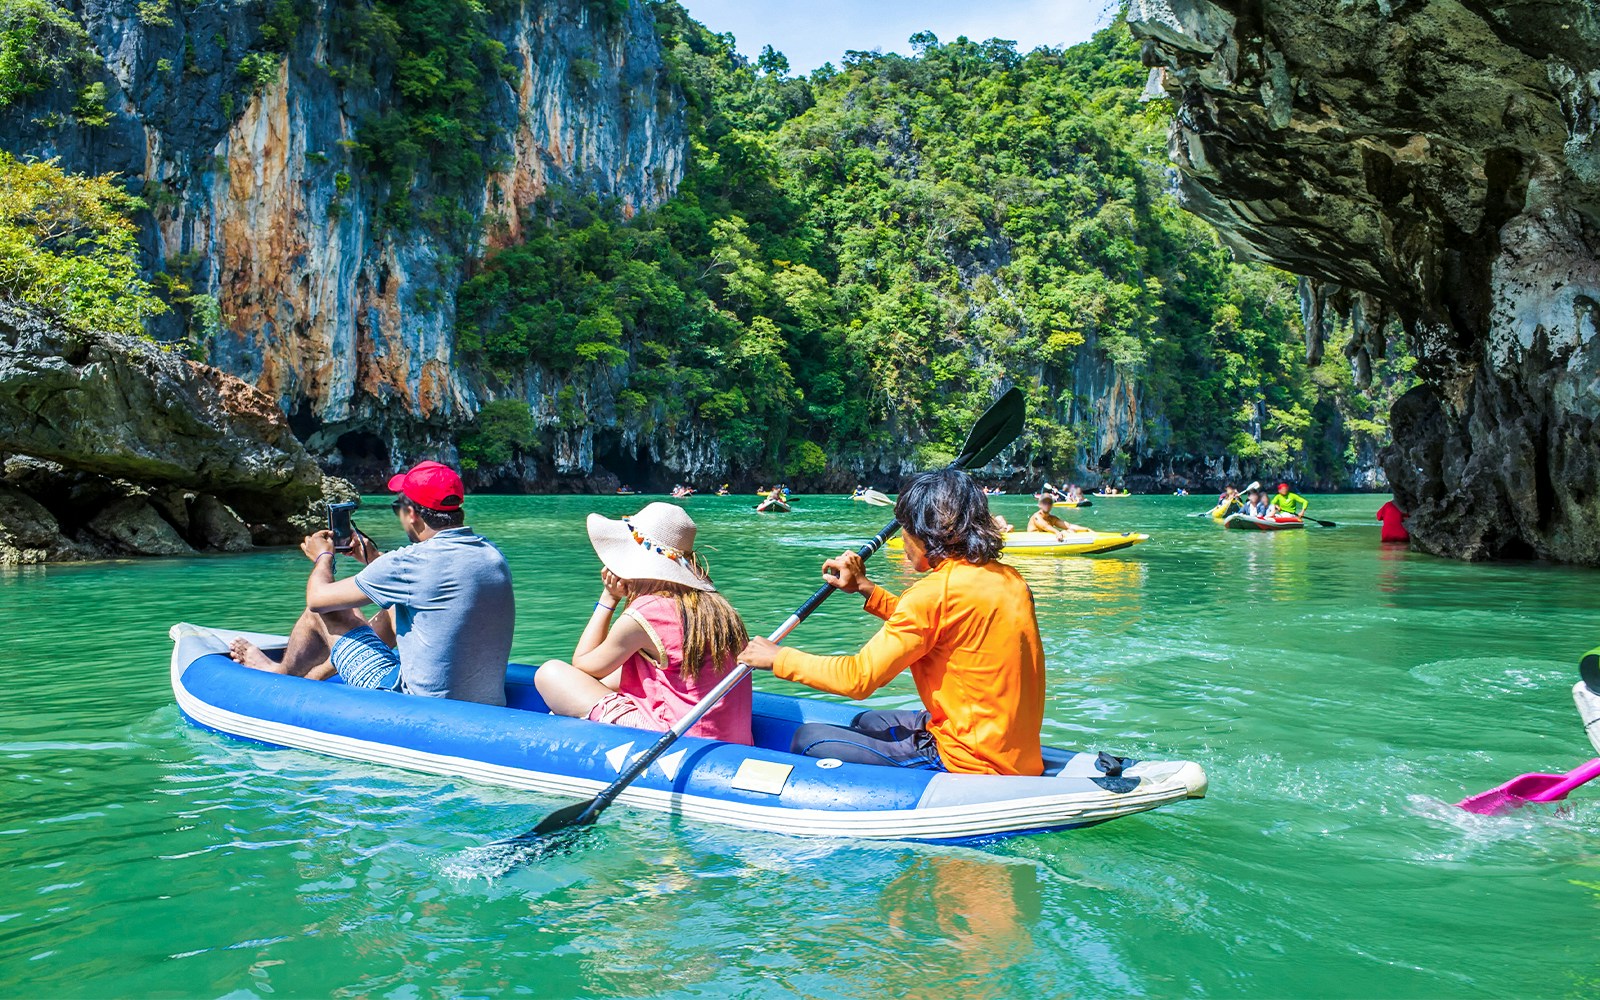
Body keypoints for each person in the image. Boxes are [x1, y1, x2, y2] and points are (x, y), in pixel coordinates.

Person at [739, 470, 1044, 774]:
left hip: (974, 760)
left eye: (904, 531)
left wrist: (778, 657)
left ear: (924, 535)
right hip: (1009, 744)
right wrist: (865, 587)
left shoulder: (933, 592)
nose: (902, 541)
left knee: (808, 740)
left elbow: (858, 679)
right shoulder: (1009, 578)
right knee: (867, 721)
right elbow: (937, 625)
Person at [228, 461, 515, 706]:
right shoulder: (492, 555)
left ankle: (279, 677)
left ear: (412, 513)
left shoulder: (408, 563)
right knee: (394, 611)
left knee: (330, 613)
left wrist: (323, 557)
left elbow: (318, 598)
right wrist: (374, 558)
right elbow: (431, 583)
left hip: (413, 702)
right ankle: (312, 679)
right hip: (483, 703)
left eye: (398, 508)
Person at [535, 502, 753, 744]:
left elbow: (584, 664)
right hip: (731, 739)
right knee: (621, 671)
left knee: (550, 673)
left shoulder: (647, 611)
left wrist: (609, 598)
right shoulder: (718, 607)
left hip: (675, 738)